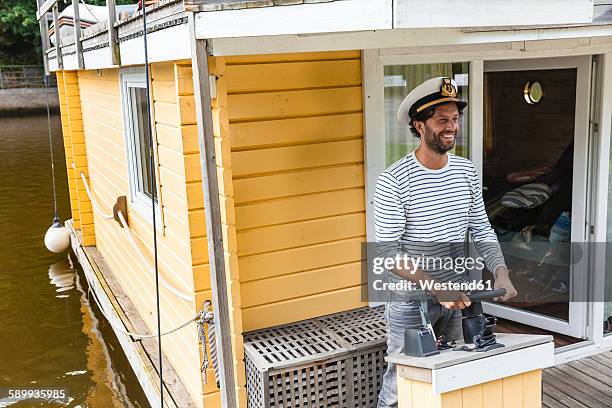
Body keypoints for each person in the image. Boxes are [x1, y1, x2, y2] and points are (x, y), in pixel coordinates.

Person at [374, 77, 518, 408]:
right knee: (403, 380)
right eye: (442, 120)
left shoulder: (466, 172)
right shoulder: (395, 181)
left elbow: (481, 228)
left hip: (459, 296)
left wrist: (500, 271)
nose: (451, 127)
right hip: (411, 302)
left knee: (450, 376)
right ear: (419, 125)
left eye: (455, 119)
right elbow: (387, 252)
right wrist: (436, 287)